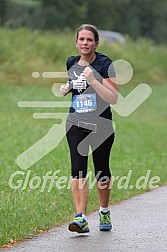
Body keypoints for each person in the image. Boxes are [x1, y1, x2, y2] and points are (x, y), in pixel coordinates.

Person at [60, 24, 118, 233]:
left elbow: (113, 97)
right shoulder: (71, 62)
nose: (85, 43)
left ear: (96, 43)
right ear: (76, 42)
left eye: (89, 40)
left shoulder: (105, 64)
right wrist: (67, 88)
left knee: (101, 170)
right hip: (76, 122)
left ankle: (104, 211)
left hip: (101, 124)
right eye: (82, 39)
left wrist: (94, 79)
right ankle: (81, 217)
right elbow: (76, 85)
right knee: (78, 171)